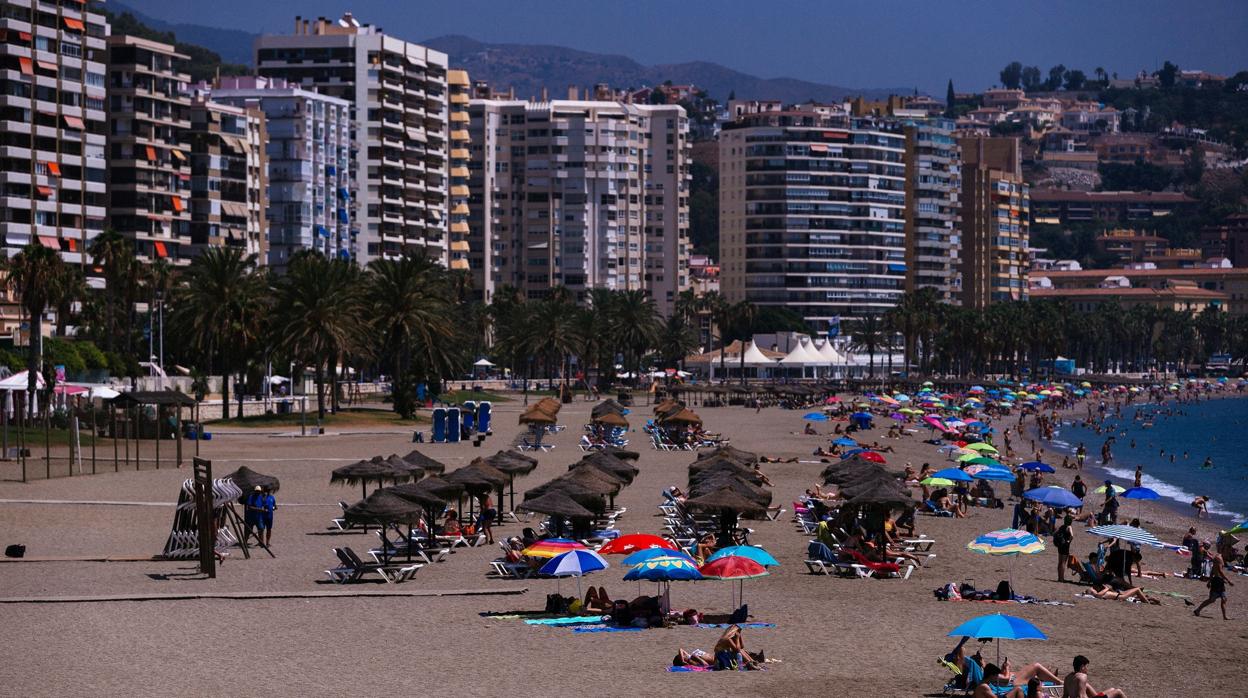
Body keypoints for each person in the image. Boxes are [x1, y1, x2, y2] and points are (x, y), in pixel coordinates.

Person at [1193, 549, 1234, 620]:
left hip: (1219, 580)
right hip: (1217, 581)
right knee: (1212, 600)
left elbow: (1213, 570)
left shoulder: (1218, 557)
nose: (1228, 555)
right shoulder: (1219, 559)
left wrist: (1209, 581)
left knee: (1224, 599)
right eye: (1228, 553)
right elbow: (1220, 571)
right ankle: (1197, 610)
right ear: (1225, 551)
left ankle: (1225, 616)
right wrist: (1228, 580)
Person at [1062, 655, 1128, 698]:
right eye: (1086, 666)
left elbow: (1065, 696)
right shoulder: (1082, 677)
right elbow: (1081, 696)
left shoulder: (1067, 678)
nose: (1087, 669)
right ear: (1082, 667)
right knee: (1118, 692)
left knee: (1112, 689)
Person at [1087, 581, 1160, 604]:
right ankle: (1148, 602)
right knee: (1137, 589)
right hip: (1121, 597)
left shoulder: (1102, 592)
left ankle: (1150, 598)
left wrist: (1108, 588)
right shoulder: (1100, 594)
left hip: (1121, 594)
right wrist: (1106, 588)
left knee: (1137, 590)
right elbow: (1097, 595)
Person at [1054, 514, 1074, 583]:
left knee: (1059, 562)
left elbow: (1056, 533)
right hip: (1065, 546)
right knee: (1063, 563)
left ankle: (1059, 577)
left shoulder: (1062, 527)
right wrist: (1069, 541)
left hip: (1060, 545)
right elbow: (1072, 535)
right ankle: (1062, 578)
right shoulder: (1069, 527)